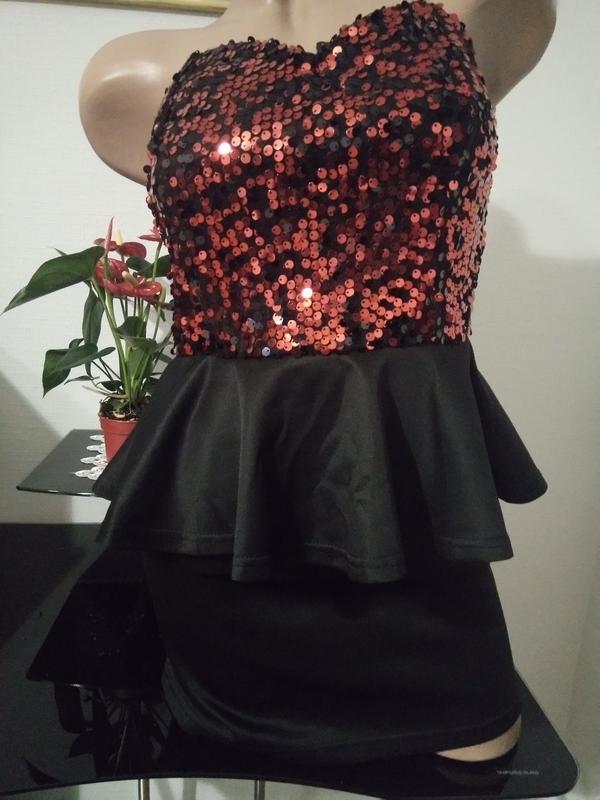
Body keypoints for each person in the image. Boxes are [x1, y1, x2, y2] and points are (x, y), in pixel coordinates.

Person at [81, 0, 557, 766]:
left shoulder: (489, 13)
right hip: (226, 538)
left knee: (480, 756)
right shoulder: (127, 74)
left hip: (409, 518)